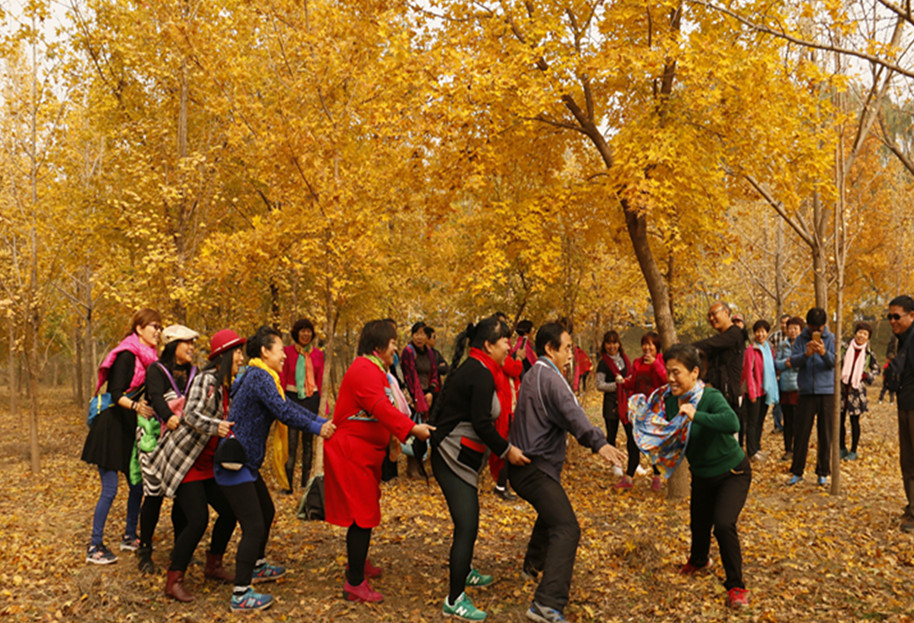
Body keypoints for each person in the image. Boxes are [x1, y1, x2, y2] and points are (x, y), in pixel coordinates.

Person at [509, 322, 625, 623]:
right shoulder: (551, 377)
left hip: (526, 466)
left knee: (552, 513)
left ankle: (531, 567)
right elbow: (574, 415)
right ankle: (546, 604)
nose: (572, 354)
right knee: (567, 528)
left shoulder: (533, 373)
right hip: (534, 468)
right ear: (550, 348)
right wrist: (599, 443)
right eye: (567, 347)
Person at [216, 326, 335, 612]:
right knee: (254, 525)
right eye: (280, 349)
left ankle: (256, 565)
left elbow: (286, 406)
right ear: (264, 351)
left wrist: (318, 420)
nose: (284, 355)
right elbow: (284, 411)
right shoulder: (259, 376)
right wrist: (319, 426)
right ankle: (241, 593)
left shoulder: (260, 375)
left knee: (266, 513)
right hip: (235, 463)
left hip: (246, 462)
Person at [324, 320, 434, 604]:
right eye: (393, 342)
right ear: (378, 346)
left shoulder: (375, 370)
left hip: (366, 454)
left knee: (366, 510)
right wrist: (411, 428)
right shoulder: (363, 370)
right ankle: (355, 583)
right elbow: (380, 407)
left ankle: (358, 564)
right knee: (362, 515)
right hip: (352, 454)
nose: (396, 347)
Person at [430, 316, 531, 621]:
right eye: (504, 342)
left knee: (469, 522)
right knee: (467, 524)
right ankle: (454, 598)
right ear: (488, 345)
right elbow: (481, 423)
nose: (509, 348)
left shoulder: (481, 368)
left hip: (464, 456)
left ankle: (466, 571)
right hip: (451, 457)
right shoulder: (481, 372)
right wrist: (506, 450)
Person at [146, 328, 243, 602]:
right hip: (186, 461)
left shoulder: (226, 386)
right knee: (198, 519)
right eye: (236, 352)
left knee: (229, 510)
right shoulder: (207, 379)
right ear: (223, 356)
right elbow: (190, 415)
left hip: (207, 464)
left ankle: (213, 566)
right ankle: (174, 579)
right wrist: (218, 427)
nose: (240, 358)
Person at [661, 344, 751, 609]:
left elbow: (732, 423)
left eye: (676, 373)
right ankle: (699, 561)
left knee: (723, 525)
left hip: (732, 472)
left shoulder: (709, 398)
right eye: (668, 372)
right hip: (701, 474)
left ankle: (736, 586)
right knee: (699, 524)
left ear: (694, 372)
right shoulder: (668, 399)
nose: (670, 378)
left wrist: (696, 414)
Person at [81, 308, 161, 564]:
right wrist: (138, 407)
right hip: (109, 429)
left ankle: (129, 535)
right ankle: (95, 546)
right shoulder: (127, 355)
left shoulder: (149, 358)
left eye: (160, 327)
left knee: (137, 484)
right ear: (139, 328)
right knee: (110, 489)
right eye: (154, 326)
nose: (158, 331)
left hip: (128, 430)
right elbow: (116, 393)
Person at [136, 324, 199, 575]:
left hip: (183, 441)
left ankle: (179, 548)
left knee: (182, 494)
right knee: (154, 494)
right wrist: (168, 417)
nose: (192, 348)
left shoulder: (195, 372)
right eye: (187, 343)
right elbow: (155, 395)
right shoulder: (157, 369)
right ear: (174, 345)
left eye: (193, 343)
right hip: (157, 439)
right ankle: (145, 550)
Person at [787, 308, 836, 487]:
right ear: (807, 325)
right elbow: (793, 361)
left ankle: (823, 472)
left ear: (824, 325)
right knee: (801, 433)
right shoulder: (801, 339)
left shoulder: (830, 339)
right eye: (813, 327)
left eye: (819, 327)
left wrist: (823, 353)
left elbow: (835, 362)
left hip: (827, 392)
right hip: (806, 392)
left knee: (825, 434)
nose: (816, 330)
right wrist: (806, 354)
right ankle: (797, 471)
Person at [279, 318, 325, 494]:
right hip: (291, 398)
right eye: (302, 330)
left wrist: (323, 405)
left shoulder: (318, 354)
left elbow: (320, 380)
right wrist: (280, 401)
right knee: (291, 443)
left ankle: (305, 483)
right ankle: (288, 485)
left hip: (311, 399)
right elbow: (282, 377)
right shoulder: (287, 352)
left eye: (308, 331)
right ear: (296, 333)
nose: (305, 334)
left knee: (308, 442)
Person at [620, 332, 667, 490]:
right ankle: (628, 477)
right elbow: (633, 383)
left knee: (653, 443)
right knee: (633, 441)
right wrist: (623, 382)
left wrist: (655, 363)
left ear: (656, 346)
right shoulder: (637, 362)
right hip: (639, 409)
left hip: (655, 410)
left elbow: (665, 380)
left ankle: (656, 478)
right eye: (644, 344)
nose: (647, 348)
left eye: (650, 344)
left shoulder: (661, 360)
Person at [886, 295, 914, 532]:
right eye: (889, 317)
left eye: (897, 316)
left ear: (911, 315)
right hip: (905, 404)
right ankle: (912, 505)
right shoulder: (902, 340)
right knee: (907, 460)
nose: (892, 321)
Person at [692, 302, 745, 419]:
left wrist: (688, 347)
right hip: (716, 392)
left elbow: (711, 343)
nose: (711, 318)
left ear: (726, 312)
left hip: (730, 394)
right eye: (709, 316)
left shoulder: (735, 333)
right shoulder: (720, 340)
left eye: (714, 314)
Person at [840, 322, 879, 461]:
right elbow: (837, 362)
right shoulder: (844, 347)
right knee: (840, 421)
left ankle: (853, 450)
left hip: (856, 391)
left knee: (854, 422)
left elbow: (876, 369)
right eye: (860, 332)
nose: (861, 336)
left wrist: (865, 376)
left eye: (865, 334)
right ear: (855, 333)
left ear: (868, 337)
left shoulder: (868, 353)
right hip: (841, 389)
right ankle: (841, 448)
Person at [595, 331, 631, 480]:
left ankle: (633, 462)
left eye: (614, 342)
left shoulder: (625, 359)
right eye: (608, 343)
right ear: (604, 345)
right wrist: (617, 385)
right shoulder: (603, 363)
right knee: (612, 434)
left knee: (631, 433)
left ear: (619, 344)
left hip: (626, 402)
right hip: (610, 402)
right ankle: (615, 464)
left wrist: (627, 382)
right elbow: (599, 385)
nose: (612, 346)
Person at [741, 320, 779, 461]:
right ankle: (751, 451)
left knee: (760, 421)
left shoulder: (769, 349)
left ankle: (756, 447)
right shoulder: (751, 350)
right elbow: (748, 373)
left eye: (763, 331)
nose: (760, 334)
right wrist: (751, 393)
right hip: (754, 392)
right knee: (752, 422)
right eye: (757, 331)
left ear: (767, 333)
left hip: (765, 391)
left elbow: (772, 369)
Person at [775, 317, 803, 462]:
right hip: (785, 387)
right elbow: (777, 363)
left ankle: (798, 449)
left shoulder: (804, 345)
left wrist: (795, 362)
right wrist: (785, 363)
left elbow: (805, 362)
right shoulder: (783, 345)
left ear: (800, 330)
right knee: (788, 421)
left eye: (795, 328)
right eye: (790, 328)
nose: (792, 331)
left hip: (799, 388)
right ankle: (788, 449)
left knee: (799, 422)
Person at [768, 314, 791, 432]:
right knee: (777, 402)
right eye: (781, 322)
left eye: (786, 322)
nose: (783, 325)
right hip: (776, 373)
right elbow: (766, 348)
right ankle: (777, 425)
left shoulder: (796, 338)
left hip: (790, 375)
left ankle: (789, 425)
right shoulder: (775, 336)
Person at [880, 335, 898, 404]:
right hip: (887, 380)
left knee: (891, 391)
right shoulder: (887, 366)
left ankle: (891, 400)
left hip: (892, 380)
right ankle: (881, 399)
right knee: (885, 389)